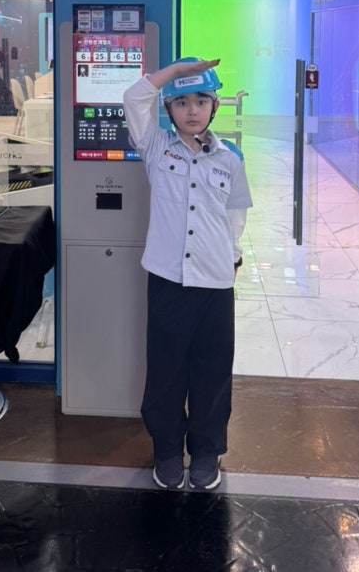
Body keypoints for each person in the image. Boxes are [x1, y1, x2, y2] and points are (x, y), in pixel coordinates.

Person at [123, 56, 252, 491]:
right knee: (166, 371)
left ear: (214, 106)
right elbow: (134, 98)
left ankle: (205, 451)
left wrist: (232, 258)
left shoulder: (230, 158)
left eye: (201, 100)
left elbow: (235, 215)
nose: (192, 110)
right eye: (181, 102)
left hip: (215, 281)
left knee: (212, 372)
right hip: (168, 280)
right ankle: (166, 451)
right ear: (169, 109)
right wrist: (174, 73)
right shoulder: (156, 147)